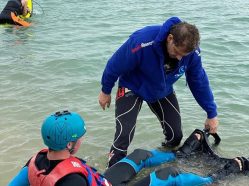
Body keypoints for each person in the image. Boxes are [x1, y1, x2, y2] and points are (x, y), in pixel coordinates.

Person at [98, 16, 219, 167]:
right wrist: (105, 90)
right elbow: (114, 65)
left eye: (184, 55)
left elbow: (199, 81)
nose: (180, 58)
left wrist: (211, 113)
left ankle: (162, 163)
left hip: (161, 88)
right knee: (124, 135)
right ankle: (112, 171)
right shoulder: (142, 41)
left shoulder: (192, 53)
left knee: (176, 136)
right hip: (133, 85)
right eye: (177, 52)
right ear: (170, 38)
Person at [8, 110, 248, 186]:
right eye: (80, 137)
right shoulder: (72, 182)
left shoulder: (36, 161)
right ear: (70, 143)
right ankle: (217, 176)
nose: (82, 140)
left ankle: (182, 153)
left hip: (102, 181)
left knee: (140, 155)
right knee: (169, 176)